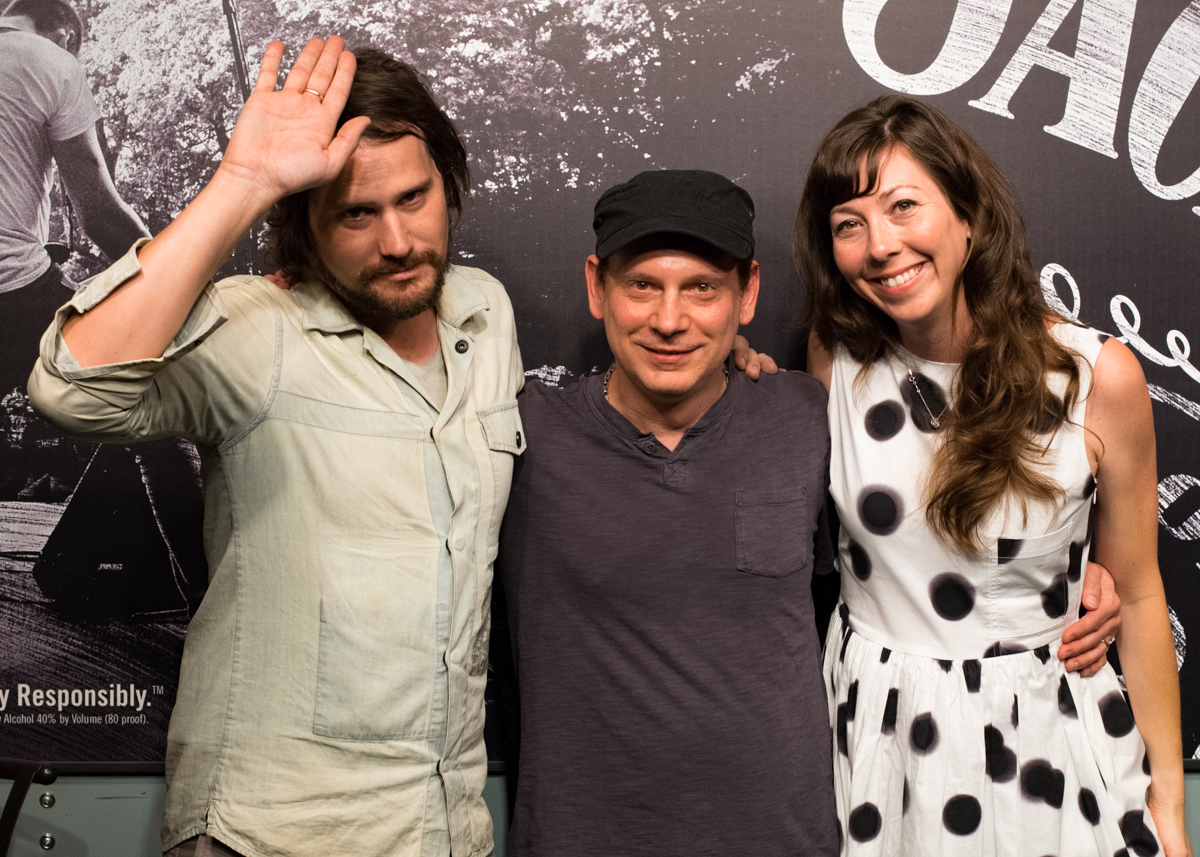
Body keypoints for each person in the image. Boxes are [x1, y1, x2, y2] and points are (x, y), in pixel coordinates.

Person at [490, 169, 1120, 856]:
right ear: (596, 287)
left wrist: (1086, 576)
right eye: (642, 284)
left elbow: (926, 522)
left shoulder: (805, 415)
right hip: (580, 836)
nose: (669, 319)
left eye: (703, 287)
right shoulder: (519, 438)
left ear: (748, 293)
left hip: (786, 836)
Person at [29, 38, 520, 857]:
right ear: (307, 231)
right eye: (357, 214)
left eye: (415, 198)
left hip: (441, 832)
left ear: (450, 185)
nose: (398, 240)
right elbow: (74, 388)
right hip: (268, 833)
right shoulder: (259, 327)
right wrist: (245, 182)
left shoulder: (485, 315)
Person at [793, 94, 1190, 855]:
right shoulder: (834, 359)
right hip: (884, 744)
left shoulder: (1096, 376)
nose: (881, 245)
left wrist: (1168, 804)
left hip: (1050, 742)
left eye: (905, 206)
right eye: (849, 224)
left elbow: (1136, 590)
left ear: (967, 214)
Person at [0, 0, 148, 396]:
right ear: (64, 30)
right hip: (12, 290)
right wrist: (169, 271)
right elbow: (100, 216)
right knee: (144, 384)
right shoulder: (51, 61)